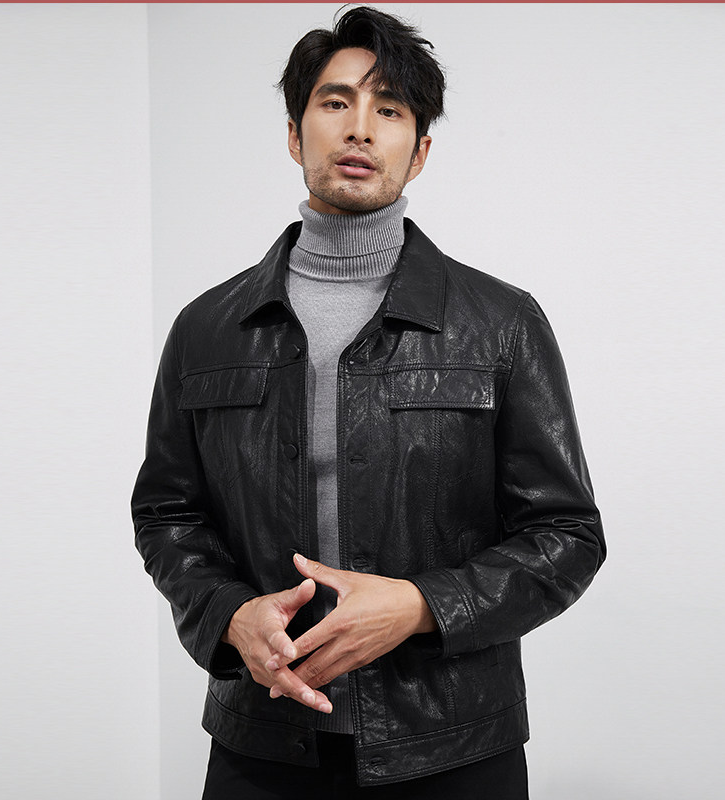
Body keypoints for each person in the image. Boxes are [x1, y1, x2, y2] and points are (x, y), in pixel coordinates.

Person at [131, 6, 606, 798]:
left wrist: (421, 606)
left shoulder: (501, 323)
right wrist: (228, 615)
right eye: (335, 101)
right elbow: (166, 513)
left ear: (419, 152)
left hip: (453, 746)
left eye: (389, 109)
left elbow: (567, 534)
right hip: (261, 744)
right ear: (295, 135)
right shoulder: (208, 328)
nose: (359, 128)